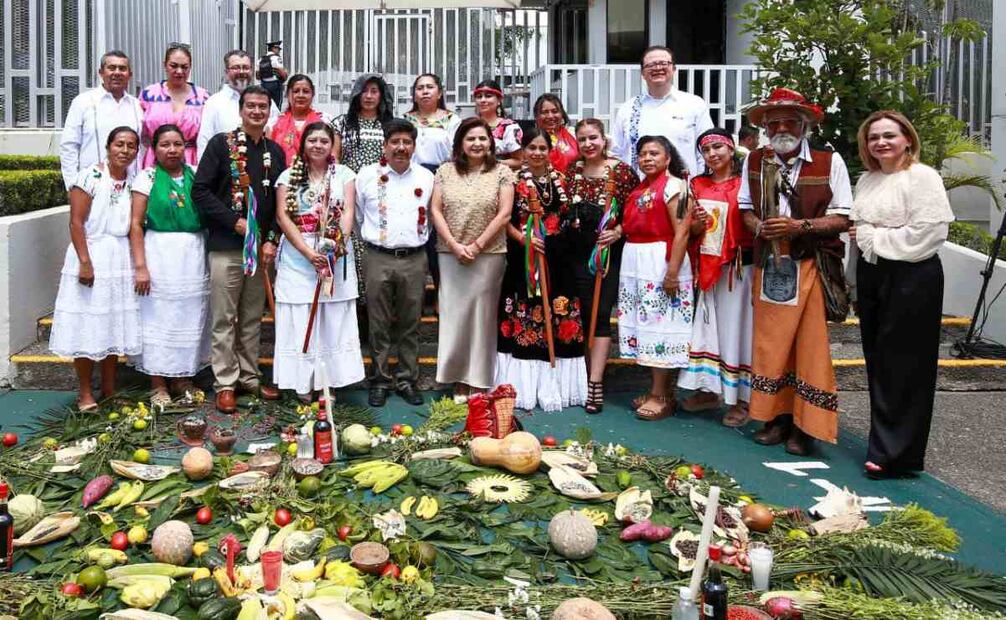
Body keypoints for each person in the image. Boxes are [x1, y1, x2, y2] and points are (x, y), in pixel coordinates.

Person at [738, 88, 853, 456]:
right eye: (774, 122)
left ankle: (807, 427)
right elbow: (745, 209)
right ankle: (776, 419)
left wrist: (798, 227)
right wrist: (761, 228)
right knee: (771, 346)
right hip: (771, 266)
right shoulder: (754, 161)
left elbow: (842, 216)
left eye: (790, 120)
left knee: (810, 346)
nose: (782, 127)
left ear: (804, 124)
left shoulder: (828, 161)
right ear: (766, 127)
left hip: (811, 264)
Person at [850, 110, 954, 479]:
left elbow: (929, 234)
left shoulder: (922, 177)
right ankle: (883, 445)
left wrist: (873, 237)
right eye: (874, 137)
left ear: (907, 138)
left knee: (906, 365)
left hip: (912, 275)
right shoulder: (867, 179)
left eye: (889, 135)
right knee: (878, 360)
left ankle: (899, 454)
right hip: (873, 272)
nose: (881, 142)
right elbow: (859, 230)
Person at [193, 85, 286, 413]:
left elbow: (280, 204)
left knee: (251, 317)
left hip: (261, 252)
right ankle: (225, 382)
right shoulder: (221, 145)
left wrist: (272, 240)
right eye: (251, 106)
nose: (257, 112)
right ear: (241, 109)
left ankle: (250, 376)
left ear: (269, 111)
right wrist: (234, 222)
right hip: (227, 247)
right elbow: (200, 191)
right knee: (225, 317)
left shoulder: (275, 152)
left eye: (263, 106)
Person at [49, 127, 141, 411]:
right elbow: (76, 223)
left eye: (131, 146)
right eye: (119, 144)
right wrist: (86, 262)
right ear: (108, 146)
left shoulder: (133, 182)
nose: (124, 150)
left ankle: (110, 389)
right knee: (88, 324)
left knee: (112, 324)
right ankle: (86, 392)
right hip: (91, 253)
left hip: (120, 258)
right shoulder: (90, 176)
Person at [496, 128, 587, 412]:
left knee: (561, 312)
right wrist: (524, 240)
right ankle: (521, 386)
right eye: (531, 148)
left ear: (550, 151)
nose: (536, 153)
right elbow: (505, 219)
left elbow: (571, 220)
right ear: (523, 151)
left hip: (556, 259)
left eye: (542, 148)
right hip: (524, 257)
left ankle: (556, 385)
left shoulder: (562, 181)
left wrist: (554, 243)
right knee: (524, 311)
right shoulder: (512, 181)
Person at [274, 122, 364, 402]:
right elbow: (282, 217)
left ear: (332, 145)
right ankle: (302, 382)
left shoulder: (345, 175)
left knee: (332, 319)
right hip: (298, 253)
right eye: (312, 140)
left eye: (324, 141)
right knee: (300, 316)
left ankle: (328, 382)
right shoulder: (288, 176)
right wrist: (307, 252)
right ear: (303, 145)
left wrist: (338, 245)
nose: (318, 145)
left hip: (333, 252)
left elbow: (348, 211)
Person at [431, 117, 516, 403]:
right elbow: (436, 210)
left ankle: (479, 380)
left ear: (491, 142)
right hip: (450, 254)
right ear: (460, 144)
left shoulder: (502, 172)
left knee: (482, 317)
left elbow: (504, 214)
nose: (477, 144)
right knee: (454, 316)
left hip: (489, 255)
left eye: (482, 138)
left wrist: (477, 245)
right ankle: (457, 379)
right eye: (470, 139)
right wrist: (455, 246)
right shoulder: (445, 171)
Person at [127, 124, 210, 408]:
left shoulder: (198, 174)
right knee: (158, 317)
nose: (172, 150)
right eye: (165, 144)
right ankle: (158, 382)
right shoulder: (146, 177)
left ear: (186, 146)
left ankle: (183, 377)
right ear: (154, 149)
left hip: (193, 254)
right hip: (159, 253)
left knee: (188, 317)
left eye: (178, 144)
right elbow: (136, 224)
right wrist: (141, 266)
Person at [676, 128, 754, 427]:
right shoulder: (696, 184)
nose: (713, 154)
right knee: (708, 332)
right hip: (706, 269)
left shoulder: (746, 183)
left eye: (718, 147)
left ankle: (743, 400)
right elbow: (690, 230)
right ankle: (709, 392)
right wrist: (695, 224)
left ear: (731, 148)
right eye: (706, 150)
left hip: (738, 269)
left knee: (737, 333)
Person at [356, 119, 436, 407]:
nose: (401, 148)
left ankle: (407, 378)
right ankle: (379, 379)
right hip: (377, 256)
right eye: (395, 142)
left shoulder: (426, 178)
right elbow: (356, 219)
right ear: (385, 145)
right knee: (377, 322)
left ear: (414, 146)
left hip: (414, 258)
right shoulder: (366, 176)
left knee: (410, 321)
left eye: (407, 142)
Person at [563, 119, 639, 413]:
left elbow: (635, 210)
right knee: (581, 313)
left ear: (604, 139)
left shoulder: (621, 172)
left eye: (593, 137)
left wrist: (618, 231)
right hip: (575, 253)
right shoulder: (572, 171)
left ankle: (595, 382)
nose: (588, 144)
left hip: (606, 253)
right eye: (582, 139)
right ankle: (581, 377)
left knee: (600, 314)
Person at [617, 136, 694, 420]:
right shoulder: (641, 187)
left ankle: (661, 394)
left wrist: (672, 273)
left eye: (654, 153)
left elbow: (682, 230)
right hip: (637, 262)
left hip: (660, 261)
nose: (647, 158)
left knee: (662, 326)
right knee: (646, 327)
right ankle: (659, 390)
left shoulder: (675, 186)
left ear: (668, 158)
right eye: (642, 154)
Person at [610, 46, 713, 177]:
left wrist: (698, 185)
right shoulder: (628, 109)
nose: (658, 68)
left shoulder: (694, 104)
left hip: (683, 189)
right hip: (639, 191)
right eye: (651, 65)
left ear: (674, 68)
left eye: (663, 63)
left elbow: (705, 149)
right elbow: (616, 152)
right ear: (642, 73)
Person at [404, 73, 461, 289]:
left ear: (440, 92)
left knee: (440, 236)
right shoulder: (405, 120)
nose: (425, 91)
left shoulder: (451, 120)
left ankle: (442, 293)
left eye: (430, 87)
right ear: (414, 94)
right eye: (420, 88)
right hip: (412, 180)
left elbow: (458, 153)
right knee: (415, 231)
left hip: (443, 178)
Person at [60, 51, 143, 189]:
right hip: (92, 189)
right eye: (111, 68)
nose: (117, 72)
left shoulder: (138, 105)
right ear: (101, 72)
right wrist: (72, 185)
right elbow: (69, 146)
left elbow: (143, 148)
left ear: (130, 75)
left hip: (131, 188)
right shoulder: (83, 102)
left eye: (122, 68)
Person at [197, 50, 279, 160]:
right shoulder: (214, 103)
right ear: (226, 72)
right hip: (226, 169)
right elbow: (204, 140)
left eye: (246, 67)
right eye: (236, 67)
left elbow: (277, 130)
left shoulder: (265, 100)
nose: (241, 72)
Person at [138, 43, 210, 168]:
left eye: (184, 67)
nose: (179, 71)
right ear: (164, 65)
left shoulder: (203, 97)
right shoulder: (149, 94)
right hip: (155, 160)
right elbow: (141, 132)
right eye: (174, 66)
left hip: (190, 161)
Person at [331, 73, 394, 172]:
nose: (368, 96)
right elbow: (334, 157)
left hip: (381, 182)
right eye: (364, 91)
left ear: (381, 95)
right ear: (357, 94)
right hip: (349, 183)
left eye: (374, 91)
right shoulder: (341, 123)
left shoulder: (391, 125)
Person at [268, 74, 327, 164]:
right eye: (296, 91)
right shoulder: (274, 124)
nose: (301, 95)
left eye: (306, 91)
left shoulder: (324, 121)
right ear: (288, 94)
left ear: (313, 95)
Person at [473, 79, 523, 170]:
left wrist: (492, 163)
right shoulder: (469, 126)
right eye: (479, 97)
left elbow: (519, 161)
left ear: (499, 100)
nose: (483, 100)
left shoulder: (509, 127)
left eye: (488, 96)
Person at [534, 94, 579, 172]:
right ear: (536, 116)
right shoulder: (530, 139)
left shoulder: (574, 135)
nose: (550, 116)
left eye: (555, 111)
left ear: (562, 114)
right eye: (544, 112)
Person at [257, 41, 287, 109]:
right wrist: (284, 78)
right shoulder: (276, 58)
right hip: (275, 84)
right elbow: (281, 72)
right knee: (277, 106)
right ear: (274, 48)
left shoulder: (261, 59)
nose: (279, 51)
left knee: (265, 105)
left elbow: (257, 76)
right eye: (278, 49)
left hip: (264, 84)